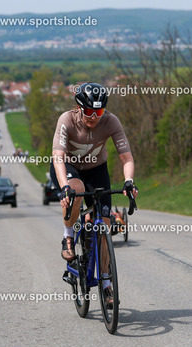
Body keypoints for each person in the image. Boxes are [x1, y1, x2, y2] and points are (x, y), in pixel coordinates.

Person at [50, 82, 138, 308]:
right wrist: (64, 187)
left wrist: (129, 181)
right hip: (68, 167)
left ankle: (106, 283)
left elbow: (126, 157)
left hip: (97, 169)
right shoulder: (67, 120)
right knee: (76, 189)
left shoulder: (111, 121)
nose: (94, 117)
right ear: (80, 107)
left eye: (99, 112)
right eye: (89, 111)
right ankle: (68, 236)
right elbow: (58, 156)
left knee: (105, 226)